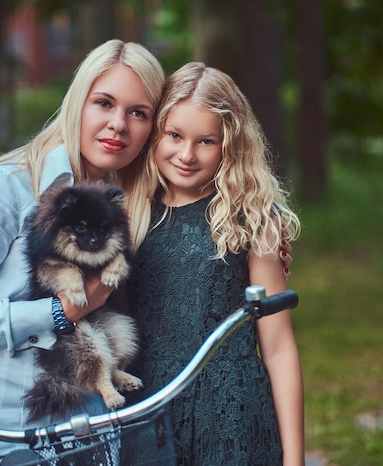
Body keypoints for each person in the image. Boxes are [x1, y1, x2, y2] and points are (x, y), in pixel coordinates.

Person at [0, 39, 166, 464]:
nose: (118, 124)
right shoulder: (6, 188)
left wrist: (262, 234)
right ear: (76, 104)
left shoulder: (128, 206)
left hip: (87, 434)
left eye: (138, 112)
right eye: (103, 103)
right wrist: (58, 313)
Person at [126, 62, 304, 465]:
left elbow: (278, 348)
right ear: (156, 133)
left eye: (206, 141)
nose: (186, 154)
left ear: (230, 145)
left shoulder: (250, 219)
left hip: (230, 417)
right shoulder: (130, 211)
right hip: (145, 410)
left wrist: (295, 460)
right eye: (174, 135)